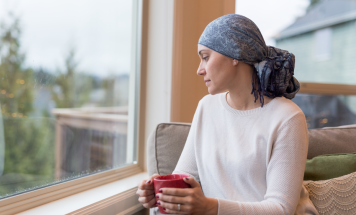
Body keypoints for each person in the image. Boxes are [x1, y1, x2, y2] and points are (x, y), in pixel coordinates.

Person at [136, 14, 318, 215]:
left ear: (235, 54)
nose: (199, 70)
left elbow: (281, 209)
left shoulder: (288, 118)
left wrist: (210, 207)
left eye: (205, 57)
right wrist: (164, 194)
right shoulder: (207, 107)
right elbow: (186, 177)